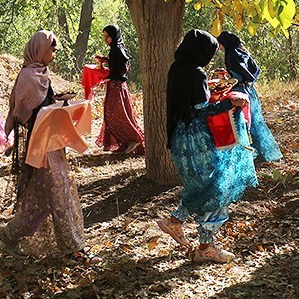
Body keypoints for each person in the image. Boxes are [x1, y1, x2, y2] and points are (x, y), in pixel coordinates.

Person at [0, 30, 101, 265]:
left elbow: (44, 104)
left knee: (42, 197)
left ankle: (7, 237)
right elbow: (26, 113)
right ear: (39, 49)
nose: (53, 55)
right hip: (40, 144)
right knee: (59, 192)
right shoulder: (28, 77)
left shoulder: (42, 73)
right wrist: (52, 106)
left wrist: (60, 101)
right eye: (51, 50)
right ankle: (73, 247)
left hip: (52, 141)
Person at [157, 29, 258, 264]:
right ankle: (204, 246)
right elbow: (201, 111)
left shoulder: (177, 68)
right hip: (197, 140)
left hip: (179, 137)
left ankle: (176, 223)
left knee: (200, 188)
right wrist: (231, 102)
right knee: (216, 189)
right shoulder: (197, 73)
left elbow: (187, 105)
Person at [216, 31, 283, 163]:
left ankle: (258, 154)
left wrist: (231, 80)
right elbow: (252, 71)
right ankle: (266, 152)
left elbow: (240, 75)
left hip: (242, 91)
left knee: (247, 123)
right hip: (250, 90)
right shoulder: (240, 51)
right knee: (257, 121)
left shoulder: (231, 55)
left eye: (220, 44)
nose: (220, 47)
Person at [95, 25, 145, 155]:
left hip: (116, 87)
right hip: (117, 86)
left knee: (114, 116)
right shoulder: (117, 49)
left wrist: (106, 79)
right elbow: (117, 64)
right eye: (104, 37)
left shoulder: (116, 50)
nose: (105, 39)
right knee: (120, 114)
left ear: (114, 36)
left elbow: (120, 70)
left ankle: (135, 138)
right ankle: (128, 141)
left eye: (108, 36)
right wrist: (106, 60)